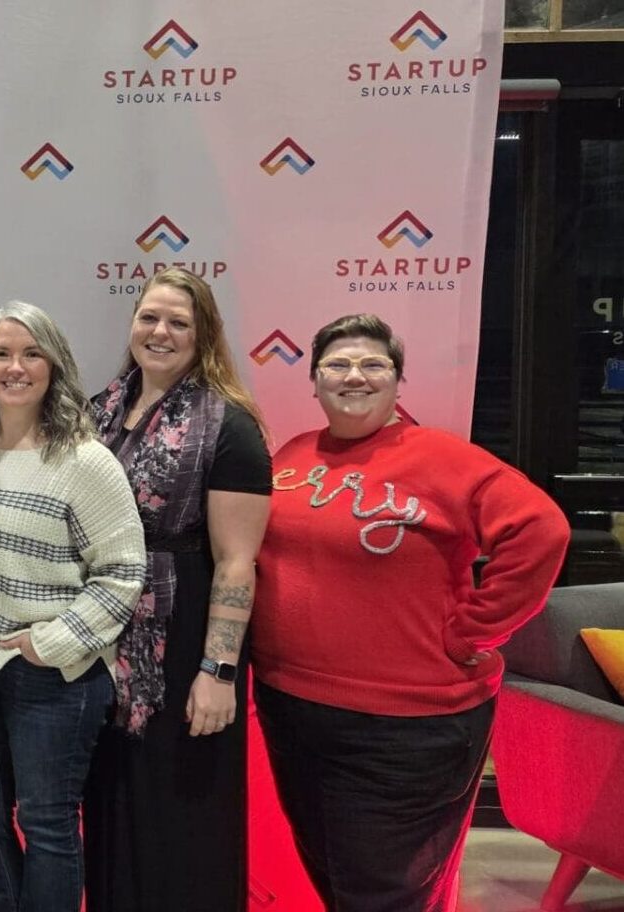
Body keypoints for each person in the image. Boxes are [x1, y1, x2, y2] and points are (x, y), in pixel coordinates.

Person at [253, 313, 570, 912]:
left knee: (386, 895)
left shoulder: (443, 458)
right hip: (292, 707)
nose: (354, 376)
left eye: (373, 364)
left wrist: (474, 631)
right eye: (337, 364)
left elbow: (540, 530)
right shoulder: (292, 454)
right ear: (314, 381)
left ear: (398, 380)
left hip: (405, 725)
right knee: (333, 879)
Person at [81, 268, 271, 912]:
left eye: (178, 322)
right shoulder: (99, 411)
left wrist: (218, 670)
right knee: (114, 805)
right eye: (149, 317)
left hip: (184, 636)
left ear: (203, 334)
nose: (160, 332)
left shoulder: (230, 427)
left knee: (184, 813)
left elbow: (237, 562)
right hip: (104, 636)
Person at [0, 302, 146, 912]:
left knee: (47, 823)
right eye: (2, 354)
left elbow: (122, 572)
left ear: (54, 365)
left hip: (56, 676)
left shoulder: (85, 461)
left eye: (31, 354)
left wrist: (52, 641)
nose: (15, 367)